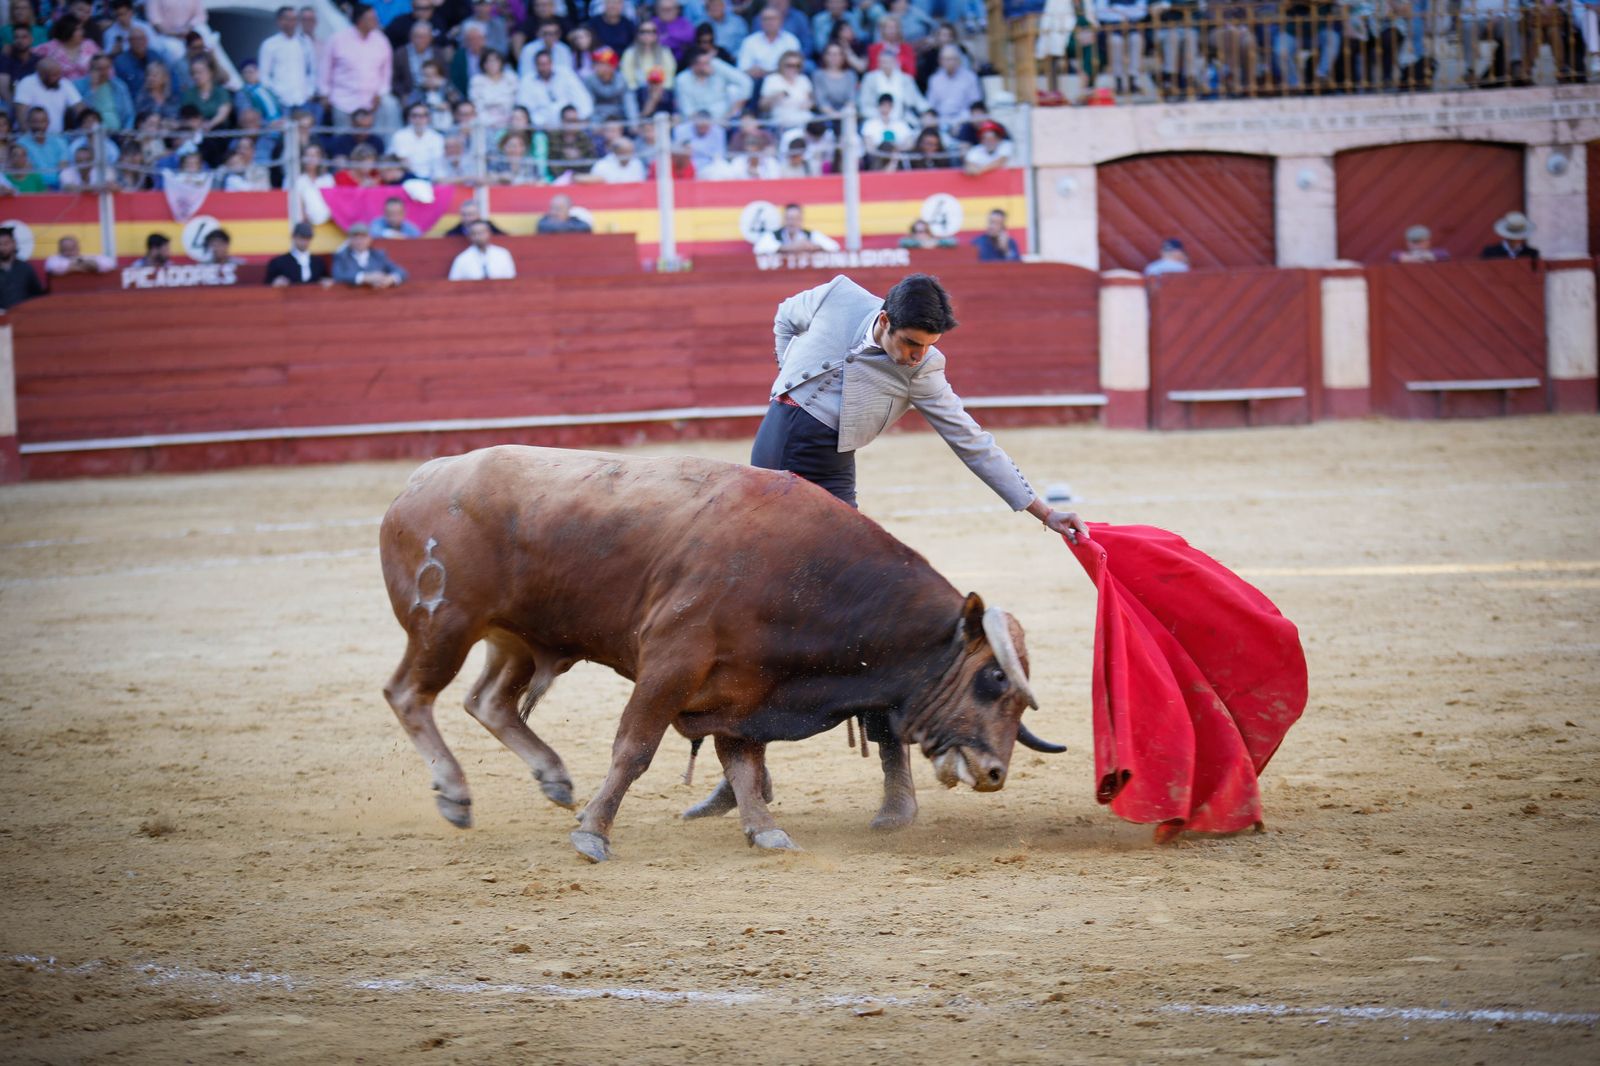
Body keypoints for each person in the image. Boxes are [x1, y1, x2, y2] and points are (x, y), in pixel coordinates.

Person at [319, 4, 393, 126]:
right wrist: (324, 93)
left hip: (373, 101)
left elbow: (386, 72)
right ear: (360, 20)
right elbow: (325, 68)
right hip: (343, 100)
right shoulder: (337, 39)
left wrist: (381, 93)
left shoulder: (381, 41)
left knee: (390, 107)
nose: (376, 21)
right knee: (343, 137)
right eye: (371, 18)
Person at [259, 5, 315, 112]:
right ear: (279, 21)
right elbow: (264, 75)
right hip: (281, 101)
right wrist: (275, 94)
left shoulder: (305, 42)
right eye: (288, 19)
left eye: (294, 19)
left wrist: (310, 92)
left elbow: (311, 70)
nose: (291, 23)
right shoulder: (270, 44)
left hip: (302, 99)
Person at [332, 222, 408, 287]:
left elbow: (401, 271)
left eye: (363, 237)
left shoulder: (378, 255)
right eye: (355, 238)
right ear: (349, 240)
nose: (359, 241)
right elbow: (338, 275)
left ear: (369, 239)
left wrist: (390, 279)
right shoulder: (342, 256)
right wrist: (365, 277)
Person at [754, 203, 841, 255]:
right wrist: (788, 248)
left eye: (796, 219)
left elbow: (835, 247)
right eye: (789, 218)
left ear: (801, 220)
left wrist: (813, 247)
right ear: (784, 219)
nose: (792, 222)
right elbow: (758, 249)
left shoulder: (810, 235)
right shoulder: (773, 235)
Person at [265, 220, 331, 285]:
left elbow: (326, 280)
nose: (304, 241)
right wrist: (275, 282)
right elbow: (267, 285)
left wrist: (326, 282)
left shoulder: (318, 263)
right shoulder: (279, 262)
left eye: (307, 238)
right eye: (302, 237)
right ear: (293, 237)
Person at [449, 218, 518, 280]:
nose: (478, 236)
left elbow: (511, 279)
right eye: (474, 233)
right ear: (470, 236)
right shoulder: (462, 258)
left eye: (482, 232)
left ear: (489, 233)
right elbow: (454, 283)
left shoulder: (503, 254)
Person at [391, 102, 446, 179]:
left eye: (421, 116)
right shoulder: (399, 136)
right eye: (414, 116)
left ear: (428, 118)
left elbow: (437, 163)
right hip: (408, 177)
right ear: (409, 118)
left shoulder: (437, 138)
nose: (418, 119)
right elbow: (404, 161)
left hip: (432, 178)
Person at [0, 225, 45, 309]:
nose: (2, 248)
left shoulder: (25, 268)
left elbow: (37, 294)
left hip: (22, 314)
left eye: (6, 244)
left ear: (14, 243)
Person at [44, 234, 116, 275]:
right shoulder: (54, 259)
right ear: (60, 249)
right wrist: (85, 266)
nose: (69, 252)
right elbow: (53, 268)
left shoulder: (88, 256)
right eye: (66, 249)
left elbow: (111, 264)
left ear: (78, 247)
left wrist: (93, 265)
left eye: (72, 248)